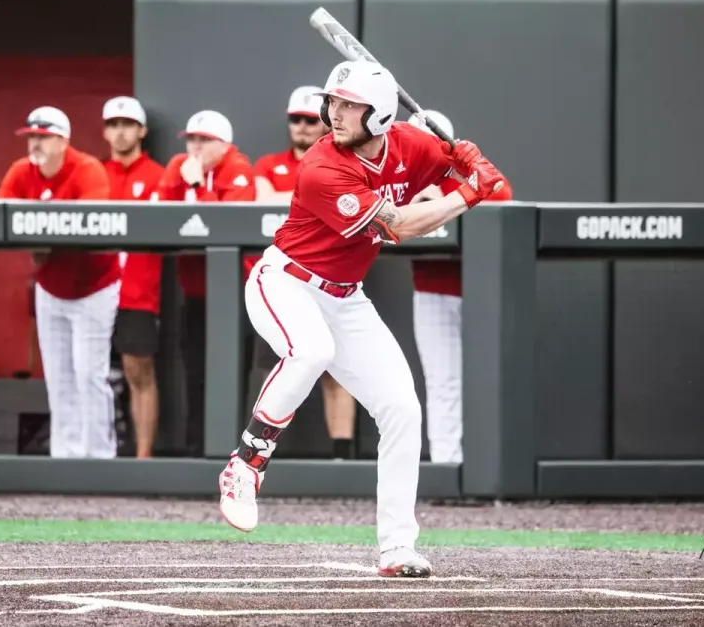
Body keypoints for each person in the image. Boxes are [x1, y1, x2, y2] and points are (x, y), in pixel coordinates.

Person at [217, 60, 508, 578]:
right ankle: (246, 462)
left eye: (349, 105)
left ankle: (397, 547)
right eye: (333, 102)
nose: (334, 113)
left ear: (380, 116)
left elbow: (487, 187)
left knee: (401, 408)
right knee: (311, 351)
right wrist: (469, 191)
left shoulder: (412, 146)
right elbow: (401, 225)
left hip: (346, 297)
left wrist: (467, 161)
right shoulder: (321, 167)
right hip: (284, 281)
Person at [0, 106, 120, 459]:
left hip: (94, 286)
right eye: (32, 136)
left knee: (89, 374)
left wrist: (43, 243)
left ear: (63, 140)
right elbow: (0, 219)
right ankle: (65, 456)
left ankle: (99, 457)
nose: (35, 143)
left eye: (44, 137)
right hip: (51, 287)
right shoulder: (21, 172)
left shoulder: (86, 169)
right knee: (59, 376)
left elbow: (90, 227)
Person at [250, 85, 358, 460]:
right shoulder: (268, 164)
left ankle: (341, 455)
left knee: (336, 368)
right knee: (280, 366)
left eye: (310, 119)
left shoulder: (344, 160)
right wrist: (321, 200)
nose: (302, 126)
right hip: (285, 281)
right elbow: (262, 199)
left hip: (333, 278)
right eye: (295, 119)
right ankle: (260, 452)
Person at [407, 111, 513, 465]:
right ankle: (447, 465)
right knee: (443, 381)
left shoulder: (465, 167)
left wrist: (447, 199)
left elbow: (503, 198)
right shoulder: (401, 175)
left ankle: (492, 465)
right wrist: (419, 202)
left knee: (489, 377)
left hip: (482, 289)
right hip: (433, 288)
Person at [154, 109, 256, 456]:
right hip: (196, 293)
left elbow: (227, 226)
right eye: (191, 140)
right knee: (195, 373)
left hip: (235, 294)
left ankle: (233, 454)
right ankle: (198, 450)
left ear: (222, 145)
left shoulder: (238, 168)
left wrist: (197, 185)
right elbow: (160, 216)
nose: (194, 148)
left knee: (232, 375)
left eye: (203, 141)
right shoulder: (180, 166)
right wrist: (187, 179)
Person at [102, 96, 166, 458]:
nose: (120, 132)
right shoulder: (92, 174)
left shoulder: (159, 175)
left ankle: (143, 457)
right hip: (92, 290)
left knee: (138, 370)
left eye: (127, 124)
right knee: (90, 372)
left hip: (139, 291)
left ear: (141, 131)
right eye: (112, 125)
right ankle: (94, 452)